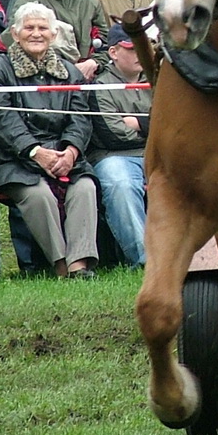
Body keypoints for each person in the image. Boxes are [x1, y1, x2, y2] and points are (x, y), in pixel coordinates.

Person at [0, 1, 101, 278]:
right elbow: (1, 121)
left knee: (84, 188)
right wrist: (35, 152)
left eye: (43, 28)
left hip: (63, 156)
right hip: (14, 159)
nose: (36, 33)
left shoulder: (69, 71)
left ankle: (78, 265)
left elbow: (81, 117)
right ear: (15, 32)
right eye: (29, 27)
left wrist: (70, 152)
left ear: (54, 33)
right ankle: (59, 264)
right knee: (38, 195)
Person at [88, 22, 154, 266]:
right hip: (113, 157)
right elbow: (113, 136)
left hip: (157, 154)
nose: (141, 54)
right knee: (121, 183)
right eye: (132, 48)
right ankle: (146, 262)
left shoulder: (159, 81)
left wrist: (137, 123)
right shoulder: (100, 86)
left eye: (144, 48)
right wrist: (154, 124)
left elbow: (175, 125)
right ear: (113, 52)